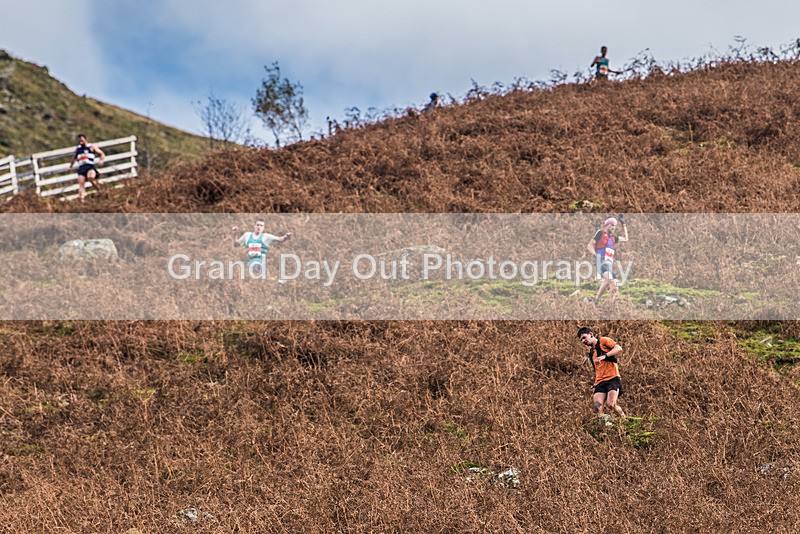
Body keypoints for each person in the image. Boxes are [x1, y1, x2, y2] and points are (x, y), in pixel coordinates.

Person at [577, 326, 626, 420]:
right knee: (597, 408)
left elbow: (619, 348)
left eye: (584, 337)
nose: (583, 341)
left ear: (590, 334)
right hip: (600, 382)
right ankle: (608, 425)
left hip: (613, 378)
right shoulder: (591, 353)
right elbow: (598, 369)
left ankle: (624, 419)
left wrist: (605, 356)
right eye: (581, 340)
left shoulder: (603, 341)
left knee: (611, 404)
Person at [587, 215, 628, 306]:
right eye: (611, 225)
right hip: (601, 263)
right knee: (614, 287)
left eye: (614, 225)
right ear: (606, 225)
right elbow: (589, 245)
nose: (613, 227)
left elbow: (625, 239)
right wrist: (595, 255)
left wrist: (623, 224)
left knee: (608, 282)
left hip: (609, 265)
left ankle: (596, 300)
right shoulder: (600, 233)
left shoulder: (613, 238)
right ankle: (608, 307)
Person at [67, 133, 106, 202]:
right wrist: (70, 166)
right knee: (81, 183)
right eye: (79, 141)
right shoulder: (78, 149)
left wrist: (101, 160)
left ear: (85, 139)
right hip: (81, 168)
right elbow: (74, 158)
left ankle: (99, 190)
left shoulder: (91, 147)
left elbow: (102, 154)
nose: (81, 142)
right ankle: (82, 199)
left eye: (82, 140)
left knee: (90, 177)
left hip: (90, 166)